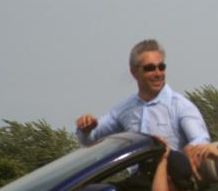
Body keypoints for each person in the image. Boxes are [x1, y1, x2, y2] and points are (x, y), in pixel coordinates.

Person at [75, 39, 210, 154]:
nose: (158, 73)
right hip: (138, 181)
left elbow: (201, 141)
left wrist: (185, 158)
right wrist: (85, 128)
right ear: (134, 72)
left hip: (170, 182)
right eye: (150, 68)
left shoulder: (180, 106)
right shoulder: (125, 108)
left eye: (161, 67)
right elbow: (89, 140)